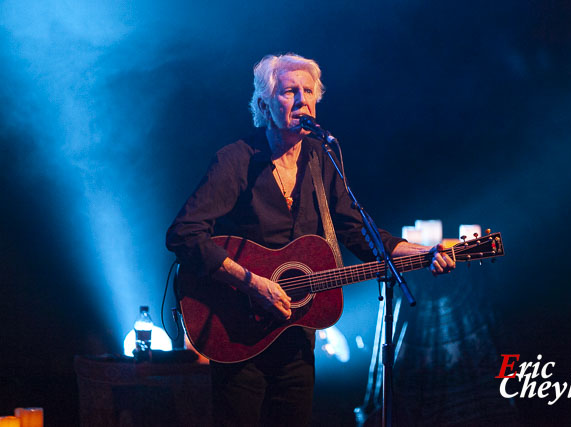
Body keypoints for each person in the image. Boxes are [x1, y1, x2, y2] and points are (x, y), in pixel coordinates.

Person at [166, 53, 455, 426]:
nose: (302, 99)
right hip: (236, 331)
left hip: (297, 335)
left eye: (309, 91)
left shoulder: (321, 157)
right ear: (264, 105)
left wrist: (421, 252)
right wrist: (253, 284)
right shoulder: (236, 159)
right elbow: (184, 233)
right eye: (289, 91)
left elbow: (357, 230)